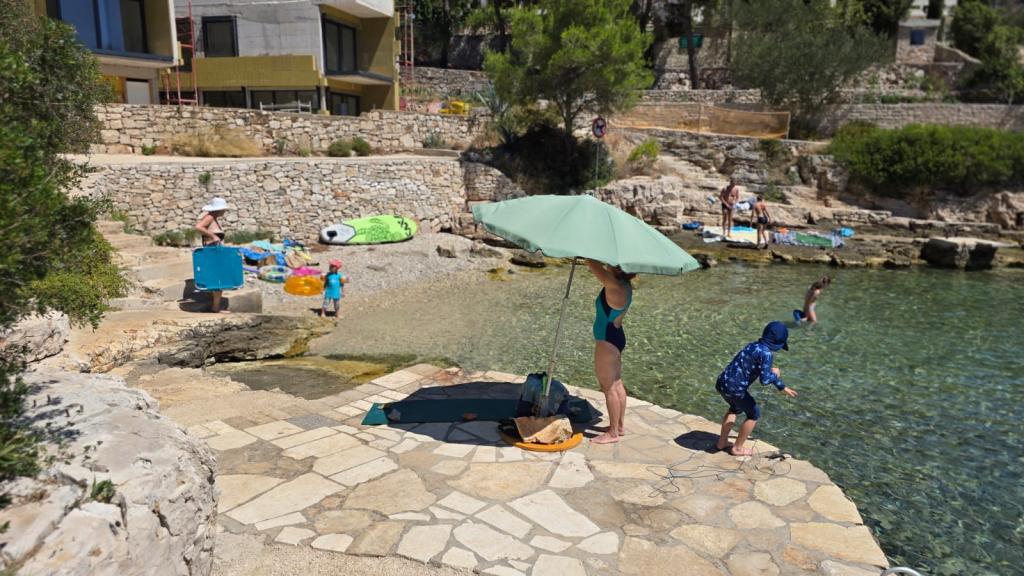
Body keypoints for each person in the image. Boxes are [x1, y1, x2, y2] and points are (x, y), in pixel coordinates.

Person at [715, 321, 798, 456]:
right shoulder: (767, 354)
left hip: (722, 383)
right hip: (736, 390)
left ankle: (722, 442)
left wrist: (782, 386)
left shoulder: (752, 345)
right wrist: (776, 374)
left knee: (734, 408)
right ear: (777, 343)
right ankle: (737, 448)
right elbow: (765, 380)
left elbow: (757, 368)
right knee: (754, 414)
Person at [587, 259, 634, 445]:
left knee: (609, 387)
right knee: (616, 383)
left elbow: (592, 263)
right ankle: (619, 426)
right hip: (615, 335)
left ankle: (613, 432)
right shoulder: (625, 285)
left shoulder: (613, 285)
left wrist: (586, 252)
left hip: (607, 340)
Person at [195, 197, 230, 313]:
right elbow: (198, 227)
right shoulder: (209, 217)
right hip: (212, 251)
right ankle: (215, 308)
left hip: (215, 251)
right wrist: (213, 236)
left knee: (218, 278)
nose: (224, 211)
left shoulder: (213, 218)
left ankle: (216, 306)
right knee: (218, 279)